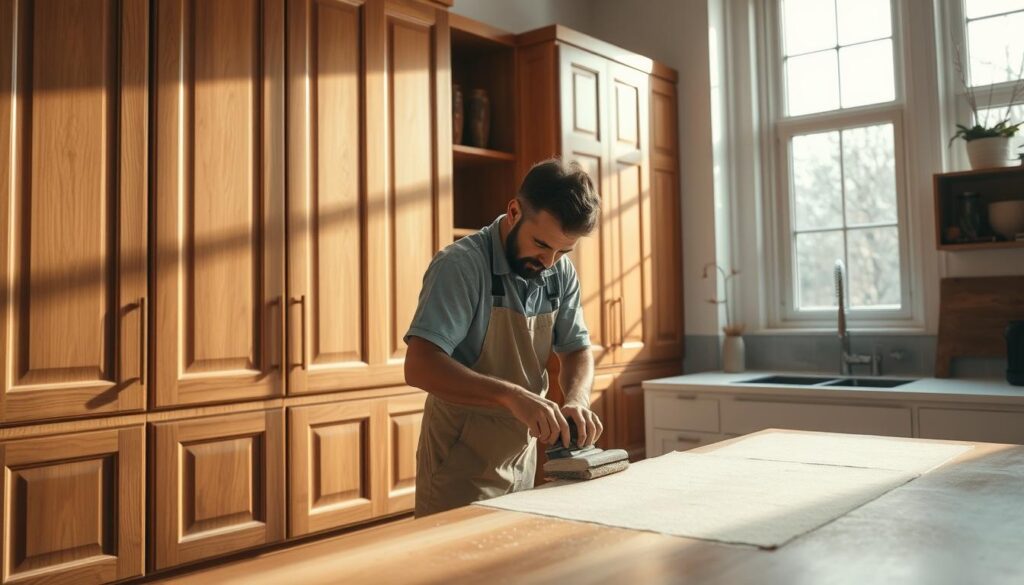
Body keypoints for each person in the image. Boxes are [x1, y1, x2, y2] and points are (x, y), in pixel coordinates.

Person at [404, 158, 602, 517]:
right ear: (513, 211)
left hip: (521, 458)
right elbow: (419, 366)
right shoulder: (459, 267)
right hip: (458, 462)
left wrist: (577, 398)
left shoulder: (559, 270)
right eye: (541, 244)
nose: (550, 261)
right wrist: (512, 396)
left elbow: (576, 350)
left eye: (563, 251)